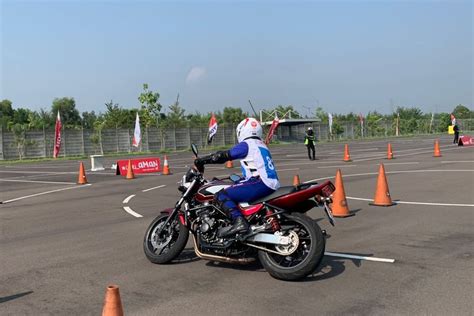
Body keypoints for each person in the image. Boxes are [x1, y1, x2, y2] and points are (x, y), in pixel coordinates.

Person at [194, 117, 280, 237]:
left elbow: (222, 156)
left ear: (242, 131)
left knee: (221, 195)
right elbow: (254, 169)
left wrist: (202, 161)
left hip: (260, 183)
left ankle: (239, 221)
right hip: (269, 183)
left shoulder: (247, 144)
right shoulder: (261, 145)